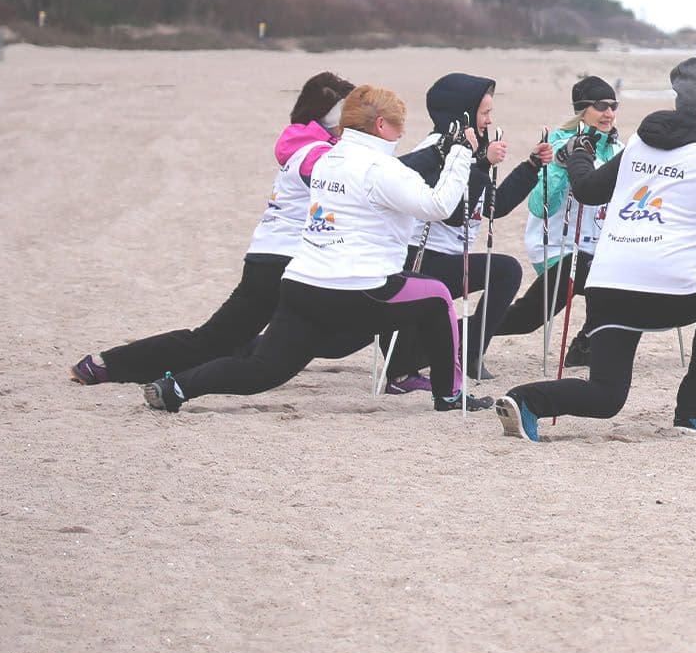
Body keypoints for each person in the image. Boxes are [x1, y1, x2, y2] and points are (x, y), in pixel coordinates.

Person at [495, 56, 696, 442]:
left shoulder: (639, 143)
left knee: (606, 395)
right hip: (670, 291)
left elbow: (586, 190)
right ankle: (693, 412)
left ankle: (525, 399)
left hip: (607, 284)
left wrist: (581, 153)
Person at [141, 85, 485, 413]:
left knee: (264, 371)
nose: (401, 133)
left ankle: (177, 387)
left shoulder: (328, 160)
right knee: (438, 296)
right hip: (359, 288)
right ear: (381, 124)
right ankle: (449, 395)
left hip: (302, 285)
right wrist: (459, 153)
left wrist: (442, 153)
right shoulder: (383, 168)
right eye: (399, 126)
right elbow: (438, 206)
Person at [72, 71, 353, 385]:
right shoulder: (318, 153)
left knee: (223, 339)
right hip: (284, 262)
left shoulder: (305, 142)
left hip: (270, 256)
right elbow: (344, 184)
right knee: (214, 340)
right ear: (332, 114)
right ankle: (108, 364)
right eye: (346, 111)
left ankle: (115, 366)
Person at [381, 74, 550, 387]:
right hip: (420, 259)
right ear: (462, 115)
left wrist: (531, 167)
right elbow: (454, 214)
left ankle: (465, 349)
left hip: (447, 257)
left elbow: (493, 208)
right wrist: (481, 165)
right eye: (484, 113)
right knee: (505, 271)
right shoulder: (435, 151)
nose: (488, 121)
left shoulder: (469, 149)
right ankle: (464, 351)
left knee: (505, 271)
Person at [493, 75, 622, 367]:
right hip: (558, 248)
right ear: (582, 109)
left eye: (614, 106)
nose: (610, 113)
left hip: (596, 249)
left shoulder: (616, 147)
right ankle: (454, 332)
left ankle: (584, 347)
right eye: (601, 106)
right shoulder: (556, 144)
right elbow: (540, 206)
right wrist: (565, 164)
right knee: (525, 319)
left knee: (613, 287)